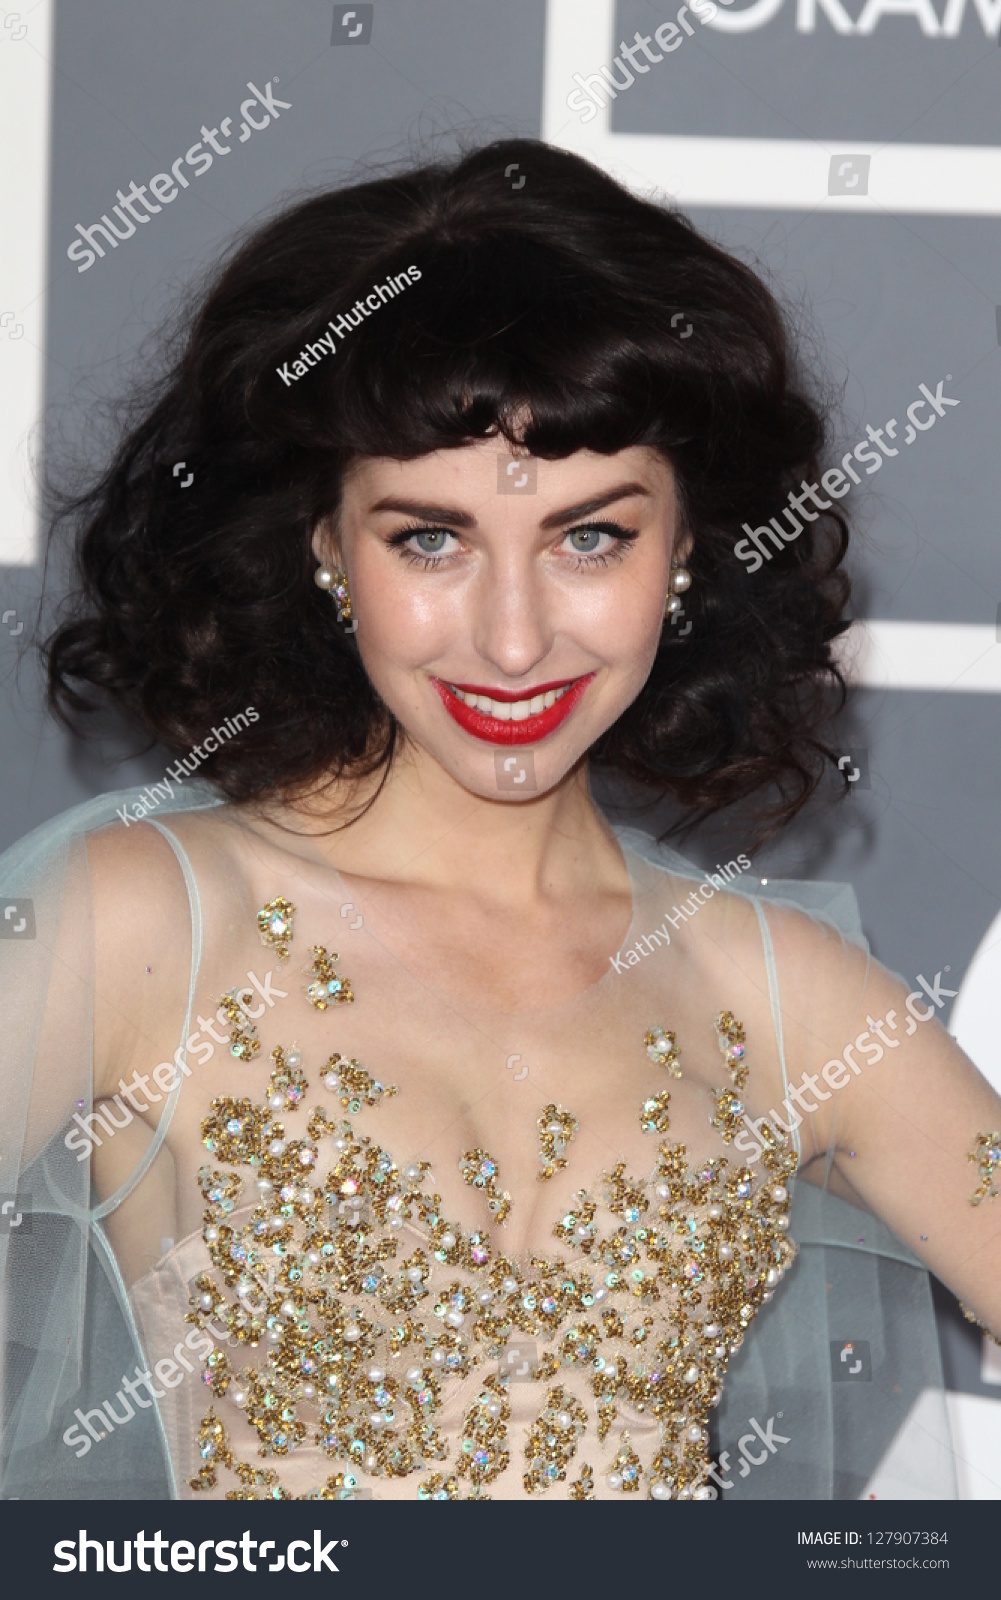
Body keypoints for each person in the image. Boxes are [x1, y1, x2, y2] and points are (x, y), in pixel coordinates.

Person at [1, 137, 998, 1503]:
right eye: (430, 539)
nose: (515, 638)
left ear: (689, 544)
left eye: (591, 537)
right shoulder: (132, 921)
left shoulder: (788, 998)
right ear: (320, 544)